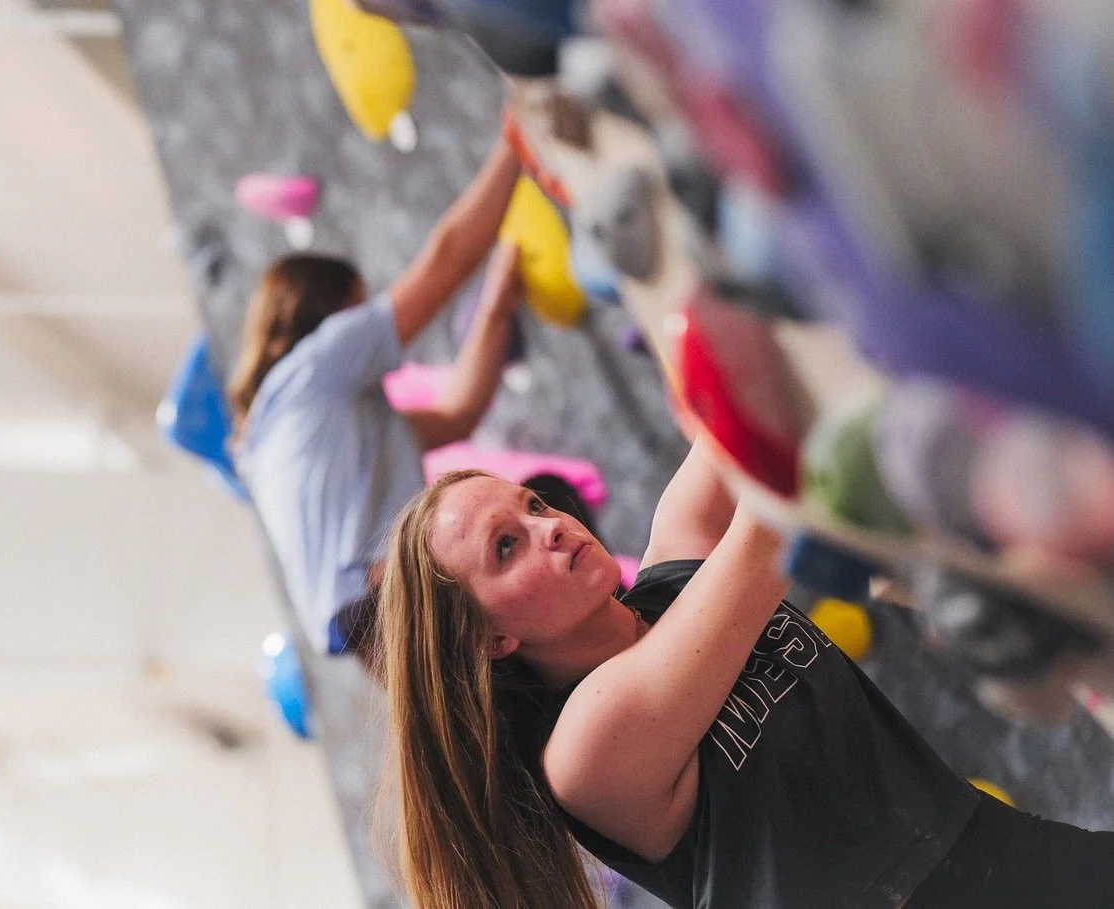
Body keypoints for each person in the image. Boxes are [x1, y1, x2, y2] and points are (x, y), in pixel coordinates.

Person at [376, 434, 1114, 909]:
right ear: (490, 639)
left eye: (531, 503)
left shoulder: (669, 579)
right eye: (507, 546)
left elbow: (730, 412)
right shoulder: (584, 751)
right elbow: (769, 525)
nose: (550, 526)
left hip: (983, 849)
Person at [227, 137, 522, 657]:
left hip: (355, 624)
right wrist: (515, 145)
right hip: (373, 594)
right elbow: (446, 262)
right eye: (360, 308)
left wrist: (496, 307)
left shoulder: (300, 424)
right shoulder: (317, 366)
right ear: (335, 314)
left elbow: (457, 415)